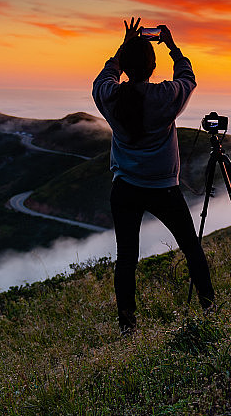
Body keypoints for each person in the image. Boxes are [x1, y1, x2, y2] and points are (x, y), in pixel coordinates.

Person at [92, 17, 215, 335]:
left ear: (126, 66)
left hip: (126, 188)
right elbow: (188, 78)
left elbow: (103, 78)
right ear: (152, 65)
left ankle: (128, 329)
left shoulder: (112, 97)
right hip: (164, 188)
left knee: (126, 259)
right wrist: (173, 46)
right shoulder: (165, 96)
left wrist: (123, 47)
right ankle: (210, 310)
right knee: (191, 248)